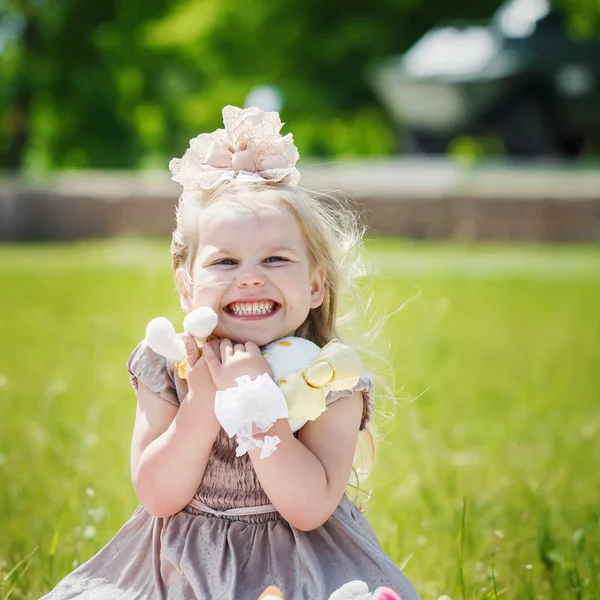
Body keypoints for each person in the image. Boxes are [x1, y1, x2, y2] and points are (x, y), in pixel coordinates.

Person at [41, 106, 419, 600]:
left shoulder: (329, 378)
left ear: (315, 285)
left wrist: (257, 403)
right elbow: (158, 494)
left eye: (276, 259)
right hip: (183, 563)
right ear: (186, 285)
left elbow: (307, 508)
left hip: (300, 564)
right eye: (225, 261)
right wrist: (201, 400)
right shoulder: (171, 366)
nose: (250, 276)